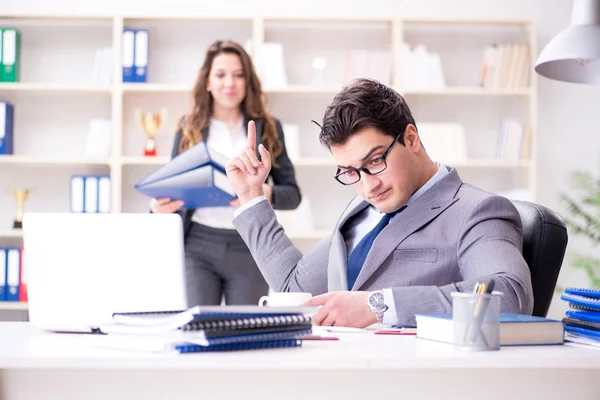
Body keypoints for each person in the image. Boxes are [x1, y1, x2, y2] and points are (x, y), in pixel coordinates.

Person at [225, 78, 534, 327]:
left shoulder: (476, 210)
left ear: (411, 138)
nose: (367, 185)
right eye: (350, 172)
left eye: (375, 161)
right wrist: (251, 195)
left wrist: (378, 305)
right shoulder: (359, 212)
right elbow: (295, 289)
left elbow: (509, 297)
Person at [150, 40, 301, 306]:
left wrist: (263, 192)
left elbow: (293, 195)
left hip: (251, 244)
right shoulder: (189, 128)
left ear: (248, 81)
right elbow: (174, 186)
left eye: (238, 75)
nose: (229, 83)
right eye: (220, 75)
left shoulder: (269, 128)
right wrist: (158, 207)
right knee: (198, 326)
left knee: (245, 332)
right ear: (207, 81)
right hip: (197, 245)